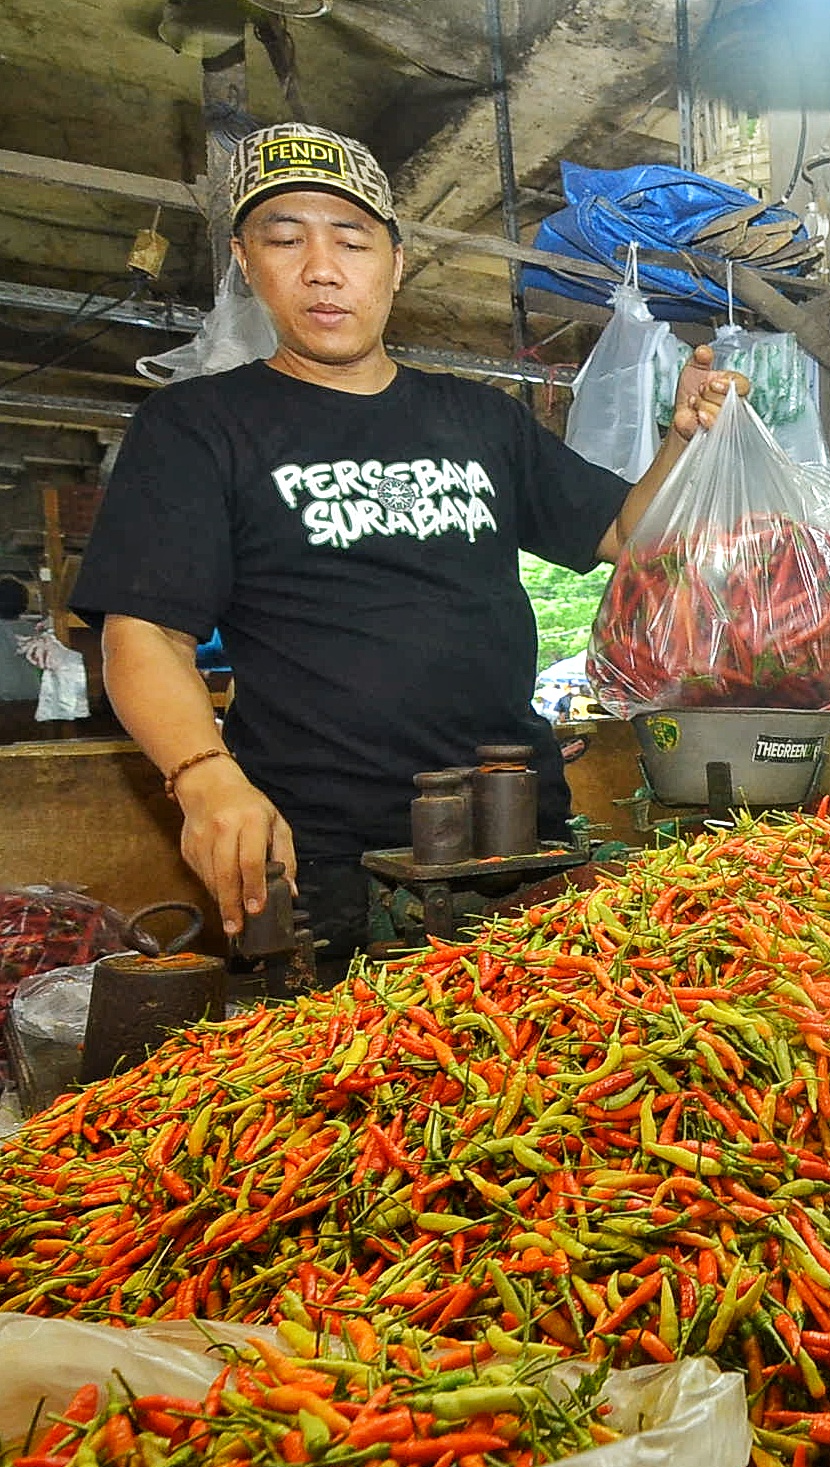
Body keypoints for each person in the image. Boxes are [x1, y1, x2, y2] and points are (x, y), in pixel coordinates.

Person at [71, 122, 748, 958]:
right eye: (285, 239)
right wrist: (204, 779)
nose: (322, 268)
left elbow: (622, 535)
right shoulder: (199, 427)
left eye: (351, 241)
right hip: (325, 852)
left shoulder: (479, 418)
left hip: (516, 831)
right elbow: (143, 633)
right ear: (247, 264)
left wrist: (680, 440)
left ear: (394, 262)